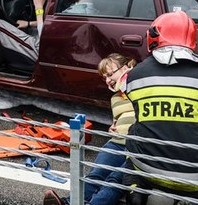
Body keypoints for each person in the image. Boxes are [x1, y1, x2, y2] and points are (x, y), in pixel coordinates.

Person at [122, 11, 198, 204]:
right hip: (196, 177)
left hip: (146, 169)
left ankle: (134, 188)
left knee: (134, 132)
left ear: (153, 36)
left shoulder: (135, 75)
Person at [43, 53, 137, 205]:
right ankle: (68, 202)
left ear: (125, 68)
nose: (107, 80)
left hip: (137, 146)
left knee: (114, 180)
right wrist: (114, 127)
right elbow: (119, 120)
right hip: (117, 143)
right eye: (104, 77)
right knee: (96, 175)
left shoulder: (142, 86)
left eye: (110, 74)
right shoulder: (115, 98)